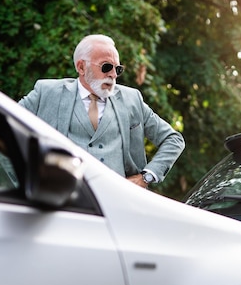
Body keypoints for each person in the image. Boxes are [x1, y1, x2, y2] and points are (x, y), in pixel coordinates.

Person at [19, 34, 184, 188]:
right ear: (81, 67)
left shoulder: (132, 99)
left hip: (118, 203)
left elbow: (173, 139)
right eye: (106, 67)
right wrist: (24, 181)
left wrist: (146, 176)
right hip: (62, 204)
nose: (113, 75)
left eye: (117, 69)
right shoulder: (47, 92)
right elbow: (3, 125)